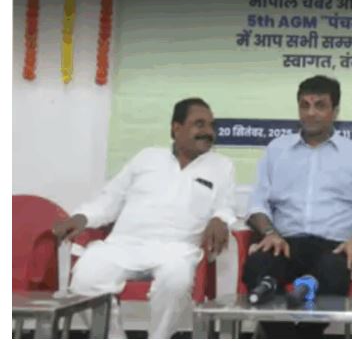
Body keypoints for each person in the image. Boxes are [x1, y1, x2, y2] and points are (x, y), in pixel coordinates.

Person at [52, 97, 236, 338]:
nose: (208, 132)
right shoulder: (147, 158)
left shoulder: (221, 166)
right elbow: (110, 199)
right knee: (85, 277)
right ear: (176, 128)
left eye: (211, 125)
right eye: (199, 124)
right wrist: (82, 217)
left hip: (177, 249)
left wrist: (220, 219)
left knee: (176, 279)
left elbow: (226, 206)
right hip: (124, 245)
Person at [243, 75, 352, 338]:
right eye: (304, 105)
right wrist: (270, 233)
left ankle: (297, 337)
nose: (310, 113)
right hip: (285, 243)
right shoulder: (277, 150)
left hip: (334, 247)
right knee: (257, 266)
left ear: (335, 111)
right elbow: (256, 204)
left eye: (320, 105)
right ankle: (285, 337)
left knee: (334, 273)